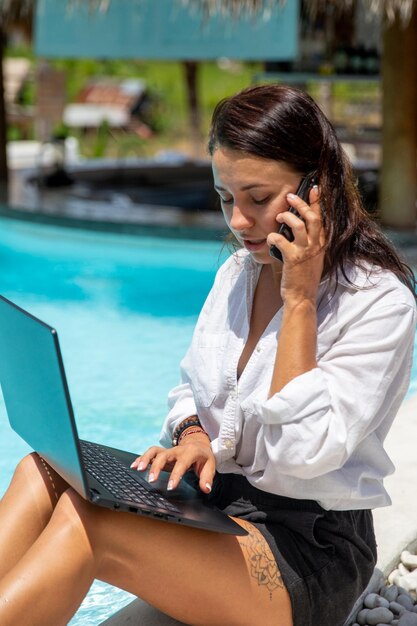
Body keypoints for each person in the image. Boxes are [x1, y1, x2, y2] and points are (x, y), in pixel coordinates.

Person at [0, 84, 415, 626]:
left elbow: (299, 454)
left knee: (88, 524)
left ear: (317, 187)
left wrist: (300, 301)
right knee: (42, 472)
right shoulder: (237, 276)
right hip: (218, 509)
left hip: (306, 552)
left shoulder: (378, 302)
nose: (238, 221)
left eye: (258, 198)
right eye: (225, 198)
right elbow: (188, 389)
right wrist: (194, 435)